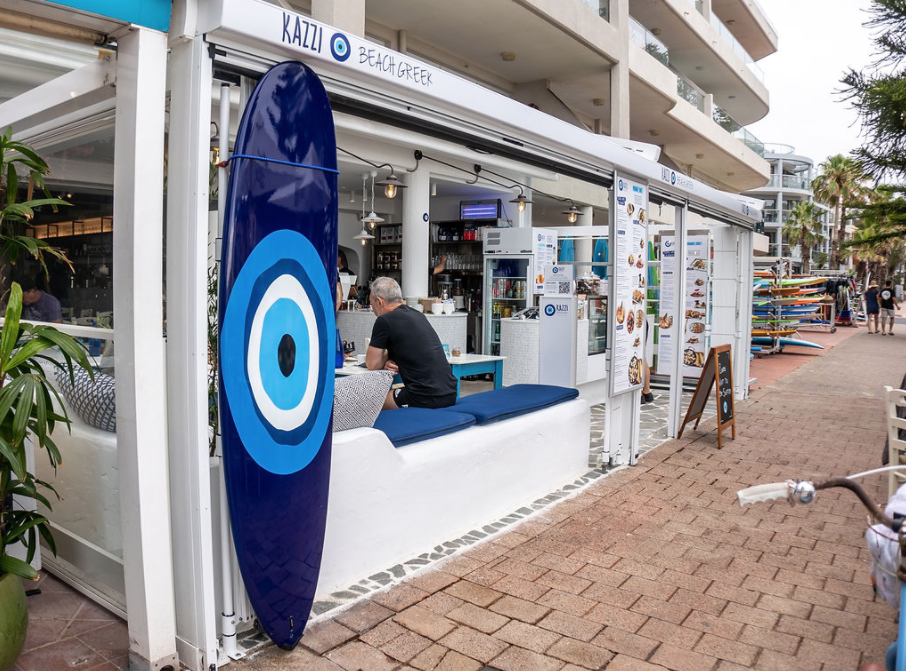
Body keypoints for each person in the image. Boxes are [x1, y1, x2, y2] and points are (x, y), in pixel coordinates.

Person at [367, 276, 457, 410]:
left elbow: (372, 364)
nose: (372, 308)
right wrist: (390, 358)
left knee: (370, 403)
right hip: (450, 392)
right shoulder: (417, 315)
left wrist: (384, 358)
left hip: (424, 396)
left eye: (371, 303)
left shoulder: (384, 320)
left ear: (379, 302)